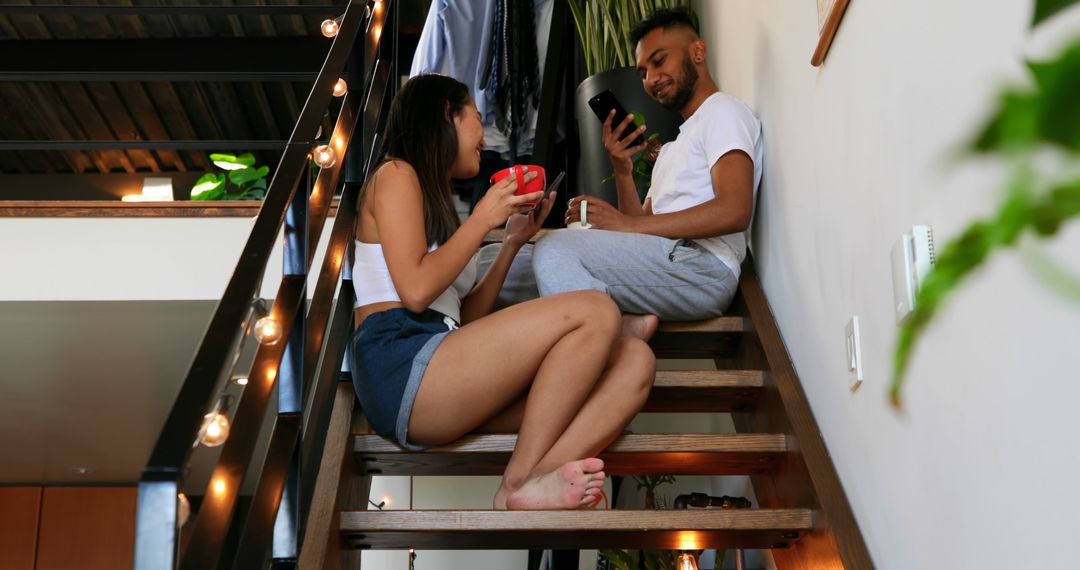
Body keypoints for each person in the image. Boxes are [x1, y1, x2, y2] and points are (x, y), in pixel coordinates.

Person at [349, 74, 655, 510]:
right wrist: (482, 219)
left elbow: (466, 324)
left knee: (634, 360)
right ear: (446, 117)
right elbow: (415, 292)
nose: (482, 133)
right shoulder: (395, 174)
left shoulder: (439, 208)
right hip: (402, 369)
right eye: (475, 116)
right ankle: (519, 480)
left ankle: (533, 483)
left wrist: (511, 241)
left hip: (443, 367)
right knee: (596, 310)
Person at [533, 8, 764, 324]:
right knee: (510, 265)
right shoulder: (670, 150)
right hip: (667, 259)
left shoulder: (723, 112)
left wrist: (626, 225)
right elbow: (640, 227)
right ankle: (620, 329)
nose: (651, 79)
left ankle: (603, 338)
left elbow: (734, 210)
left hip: (703, 267)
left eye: (659, 61)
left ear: (697, 51)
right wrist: (622, 169)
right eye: (642, 73)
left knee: (555, 249)